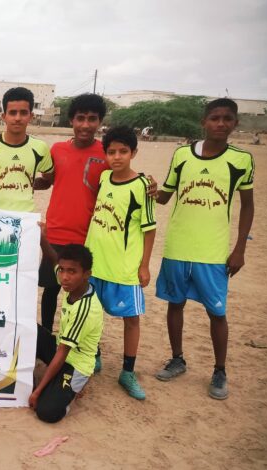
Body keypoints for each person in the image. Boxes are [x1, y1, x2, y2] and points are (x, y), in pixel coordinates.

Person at [154, 98, 254, 400]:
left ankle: (220, 370)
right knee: (175, 304)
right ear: (204, 122)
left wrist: (239, 249)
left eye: (227, 118)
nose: (220, 123)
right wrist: (143, 187)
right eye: (214, 118)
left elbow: (247, 206)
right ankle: (177, 359)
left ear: (235, 123)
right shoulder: (182, 155)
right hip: (177, 247)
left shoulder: (241, 160)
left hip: (213, 252)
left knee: (216, 312)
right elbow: (164, 196)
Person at [84, 126, 156, 400]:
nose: (117, 157)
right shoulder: (104, 178)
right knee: (93, 313)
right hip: (96, 264)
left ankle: (128, 371)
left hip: (124, 268)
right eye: (112, 152)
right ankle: (95, 355)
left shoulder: (142, 186)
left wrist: (144, 265)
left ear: (133, 153)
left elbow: (149, 229)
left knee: (131, 319)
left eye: (123, 151)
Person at [34, 94, 109, 337]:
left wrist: (147, 184)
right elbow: (47, 181)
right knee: (51, 289)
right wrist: (22, 181)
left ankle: (83, 340)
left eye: (92, 119)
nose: (85, 125)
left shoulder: (107, 154)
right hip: (55, 233)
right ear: (71, 120)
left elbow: (121, 183)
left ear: (99, 122)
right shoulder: (57, 150)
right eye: (80, 118)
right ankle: (47, 336)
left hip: (89, 236)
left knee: (85, 292)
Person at [29, 240, 103, 423]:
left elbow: (63, 352)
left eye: (72, 271)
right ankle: (54, 382)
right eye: (62, 270)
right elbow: (54, 259)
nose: (64, 277)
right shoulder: (72, 285)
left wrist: (37, 392)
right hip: (60, 348)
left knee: (46, 412)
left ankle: (74, 388)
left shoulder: (85, 309)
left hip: (75, 363)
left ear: (87, 274)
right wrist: (42, 238)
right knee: (28, 328)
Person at [0, 87, 53, 211]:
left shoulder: (40, 148)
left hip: (26, 218)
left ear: (31, 116)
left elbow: (49, 180)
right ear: (4, 116)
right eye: (12, 113)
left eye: (23, 113)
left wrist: (26, 182)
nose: (18, 118)